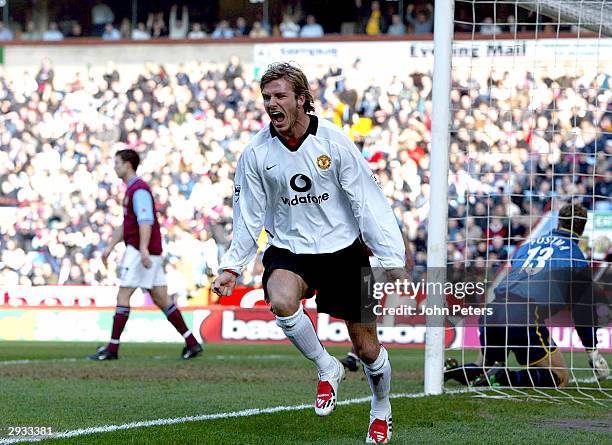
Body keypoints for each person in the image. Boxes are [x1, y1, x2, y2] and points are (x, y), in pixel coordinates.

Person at [212, 62, 407, 443]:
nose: (271, 103)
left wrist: (391, 258)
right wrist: (232, 265)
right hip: (289, 249)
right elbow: (248, 213)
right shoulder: (255, 153)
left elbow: (367, 201)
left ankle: (381, 408)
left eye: (280, 95)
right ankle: (326, 368)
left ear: (302, 99)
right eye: (267, 97)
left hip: (344, 251)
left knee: (367, 348)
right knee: (281, 299)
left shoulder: (334, 142)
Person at [445, 204, 610, 387]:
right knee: (560, 377)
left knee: (483, 369)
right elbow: (582, 312)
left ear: (558, 223)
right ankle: (502, 378)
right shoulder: (576, 256)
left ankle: (450, 371)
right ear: (582, 228)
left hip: (494, 308)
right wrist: (592, 352)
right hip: (523, 314)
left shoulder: (530, 244)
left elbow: (516, 267)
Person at [88, 149, 203, 361]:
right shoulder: (132, 189)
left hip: (141, 252)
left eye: (117, 163)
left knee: (123, 295)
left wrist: (142, 249)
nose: (114, 167)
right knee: (161, 297)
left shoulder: (138, 190)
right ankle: (192, 343)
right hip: (149, 251)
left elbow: (145, 220)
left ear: (128, 165)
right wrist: (109, 247)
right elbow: (127, 223)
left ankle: (112, 349)